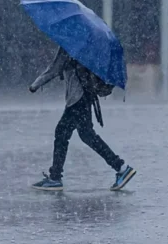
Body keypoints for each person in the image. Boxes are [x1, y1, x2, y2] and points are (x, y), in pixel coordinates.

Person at [29, 47, 136, 191]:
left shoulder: (69, 46)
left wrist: (34, 85)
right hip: (86, 97)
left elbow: (54, 69)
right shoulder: (86, 47)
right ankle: (121, 168)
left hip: (77, 99)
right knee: (87, 135)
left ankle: (55, 178)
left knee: (62, 133)